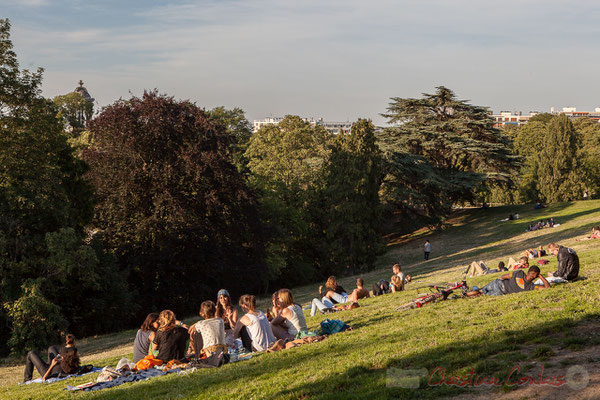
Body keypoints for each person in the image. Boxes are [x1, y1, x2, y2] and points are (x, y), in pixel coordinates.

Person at [465, 266, 550, 297]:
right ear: (536, 275)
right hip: (502, 292)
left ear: (528, 271)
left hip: (499, 283)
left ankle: (464, 294)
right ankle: (473, 294)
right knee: (482, 294)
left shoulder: (519, 272)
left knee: (480, 290)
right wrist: (541, 276)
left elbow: (504, 276)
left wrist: (500, 279)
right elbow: (547, 287)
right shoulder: (531, 286)